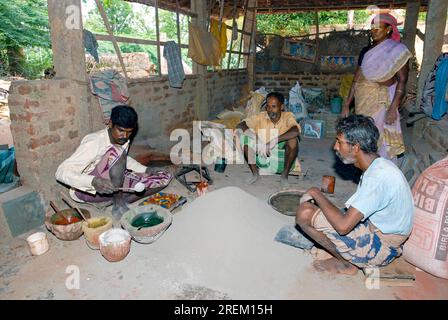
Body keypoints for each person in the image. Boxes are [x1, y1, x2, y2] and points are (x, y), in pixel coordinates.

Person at [295, 115, 414, 275]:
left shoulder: (377, 178)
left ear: (356, 147)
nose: (335, 147)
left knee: (306, 213)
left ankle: (346, 264)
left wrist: (316, 192)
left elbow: (343, 227)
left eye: (339, 141)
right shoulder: (379, 165)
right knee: (331, 212)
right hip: (379, 229)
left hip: (382, 247)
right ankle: (345, 255)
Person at [55, 105, 172, 219]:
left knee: (162, 178)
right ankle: (118, 202)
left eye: (129, 132)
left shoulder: (122, 138)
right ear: (110, 123)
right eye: (121, 130)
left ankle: (113, 200)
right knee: (116, 150)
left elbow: (124, 160)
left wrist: (146, 170)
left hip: (112, 184)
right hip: (87, 190)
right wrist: (93, 181)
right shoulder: (94, 142)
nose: (125, 136)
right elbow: (60, 172)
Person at [342, 13, 412, 163]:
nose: (374, 31)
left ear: (388, 29)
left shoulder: (397, 50)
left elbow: (402, 81)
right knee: (363, 136)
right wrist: (347, 104)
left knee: (379, 136)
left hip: (381, 102)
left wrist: (393, 107)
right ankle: (365, 167)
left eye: (378, 28)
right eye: (372, 28)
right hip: (362, 102)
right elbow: (356, 79)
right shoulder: (366, 51)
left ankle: (381, 168)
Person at [235, 92, 301, 187]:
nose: (270, 110)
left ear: (281, 107)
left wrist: (273, 141)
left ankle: (284, 176)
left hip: (280, 158)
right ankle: (255, 174)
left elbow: (295, 131)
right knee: (245, 138)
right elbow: (241, 125)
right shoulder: (261, 116)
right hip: (262, 156)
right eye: (268, 106)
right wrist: (257, 139)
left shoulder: (288, 116)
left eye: (274, 106)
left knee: (293, 140)